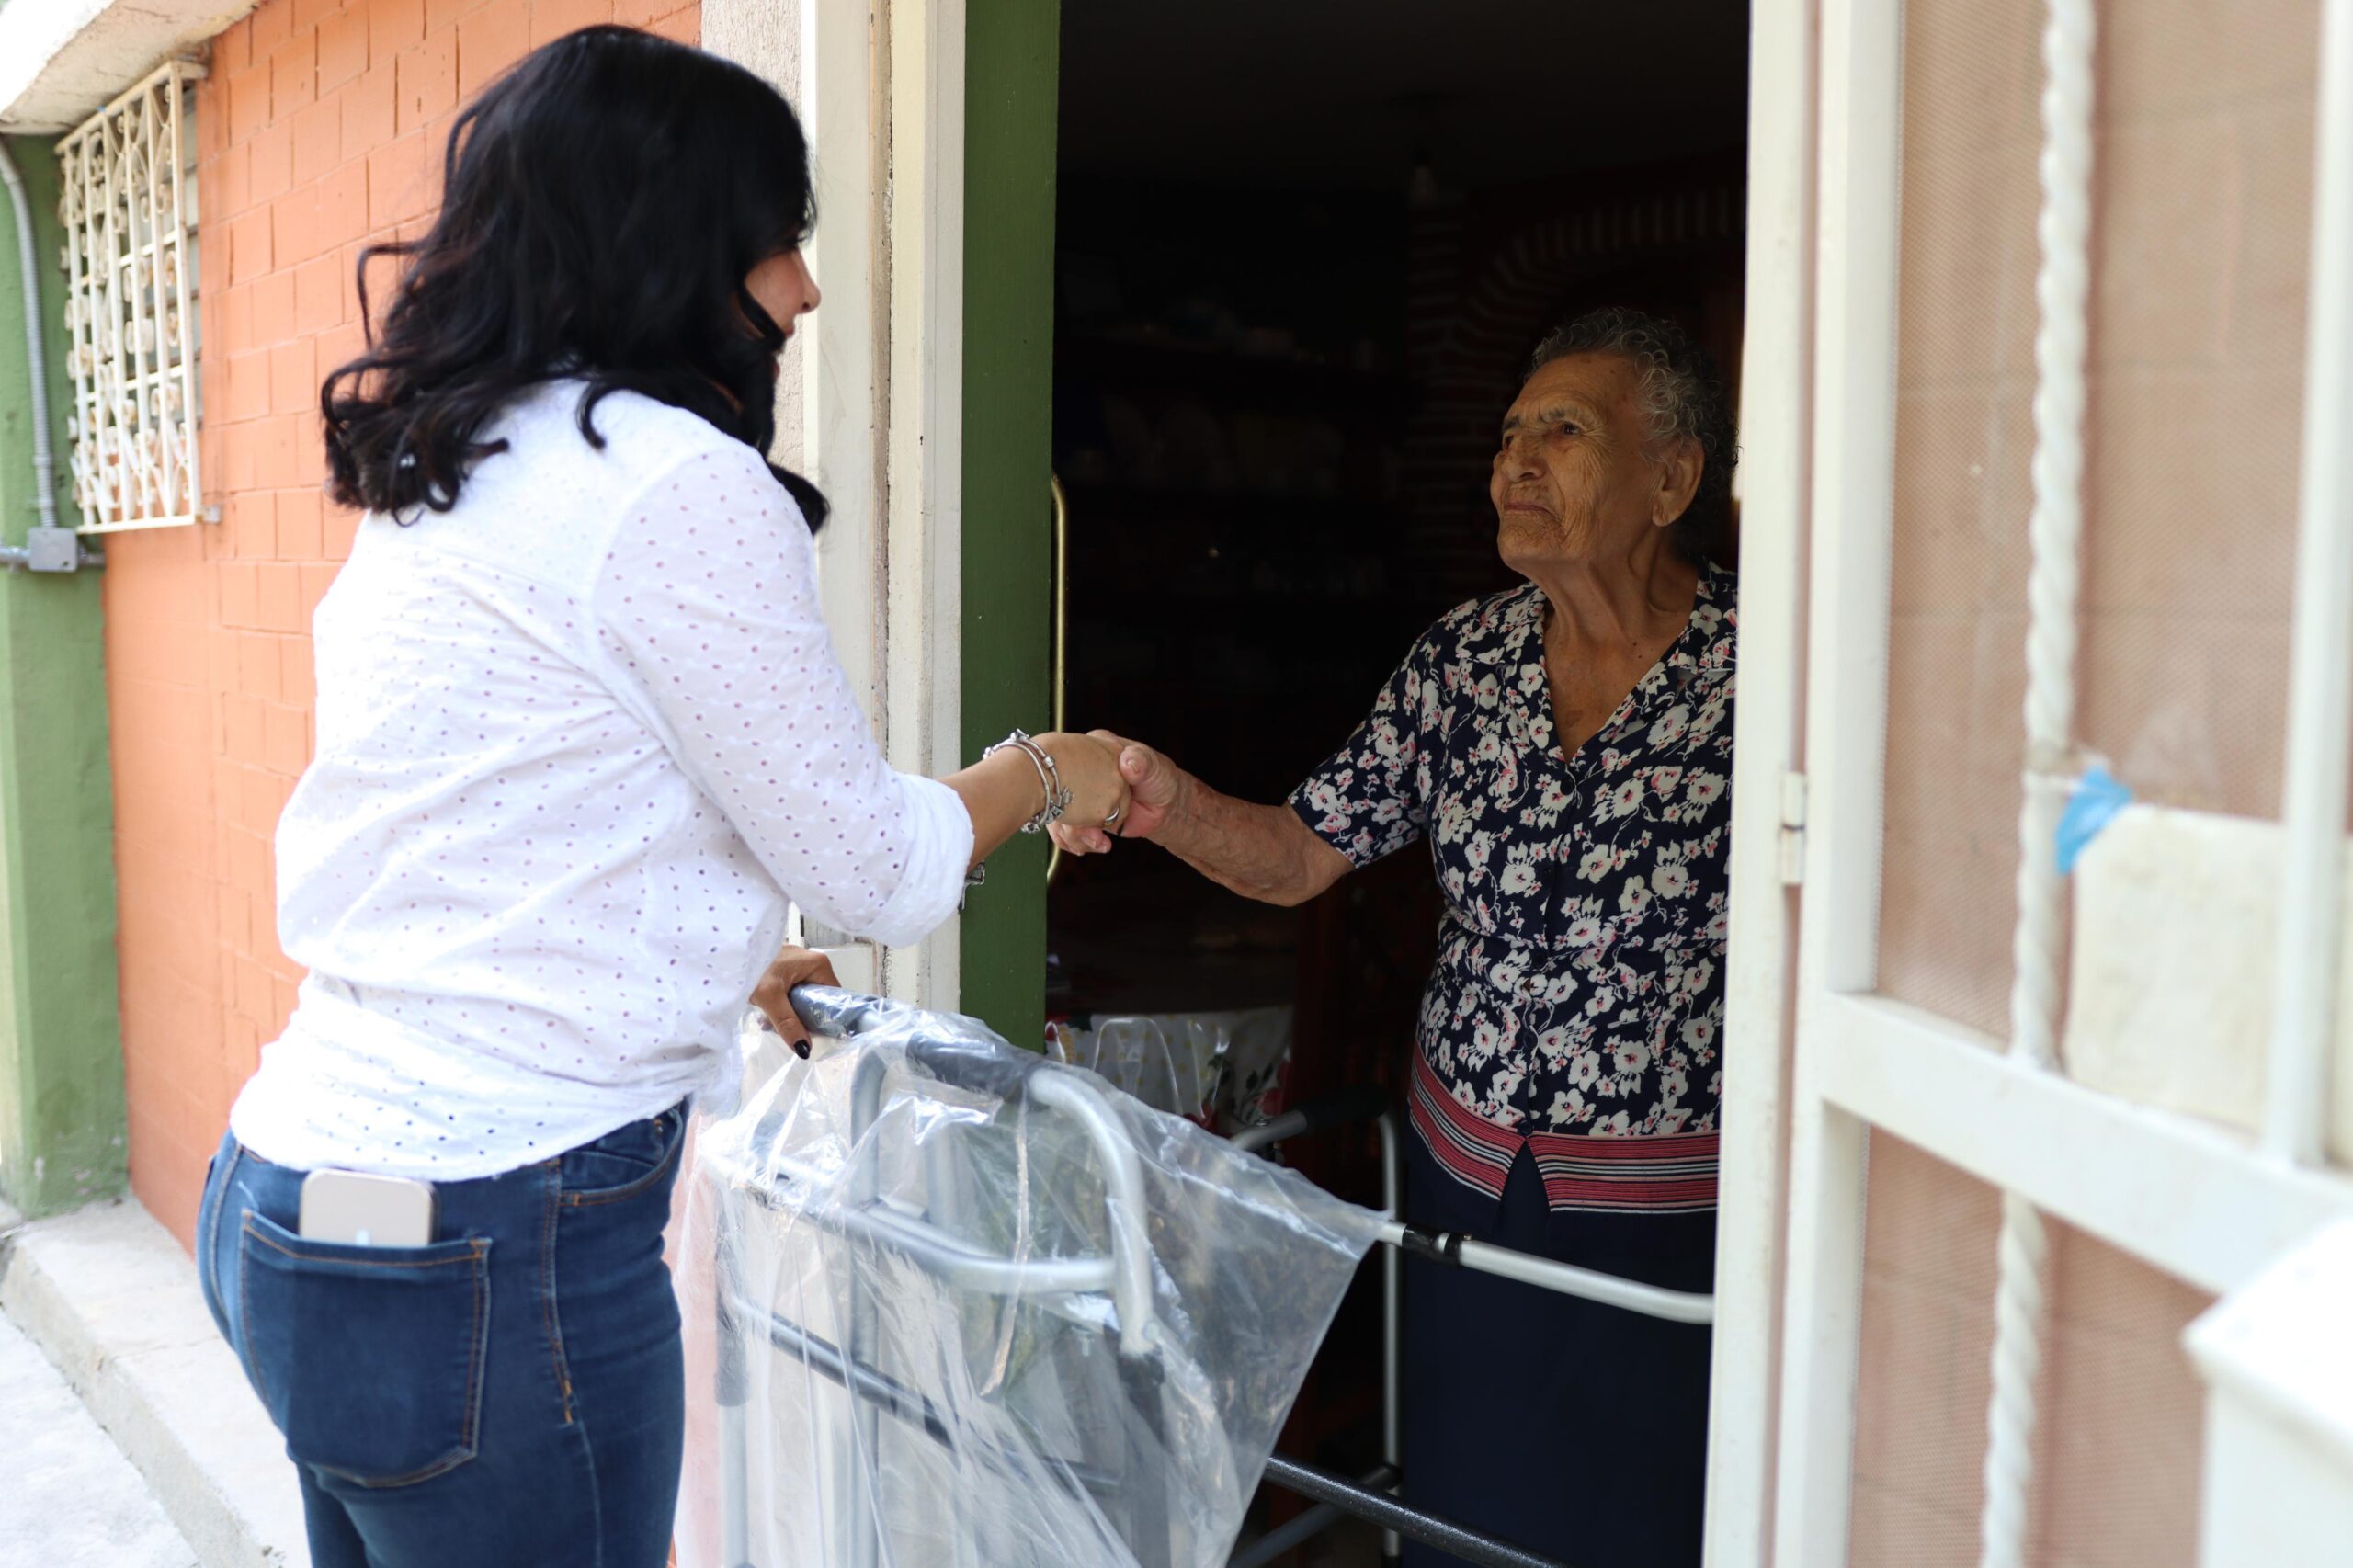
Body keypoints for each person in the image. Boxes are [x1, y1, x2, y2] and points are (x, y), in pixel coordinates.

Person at [190, 28, 1127, 1568]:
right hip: (486, 1247)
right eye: (779, 239)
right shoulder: (675, 480)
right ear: (673, 237)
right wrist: (1041, 771)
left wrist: (709, 958)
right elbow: (875, 866)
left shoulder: (459, 454)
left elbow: (507, 813)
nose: (804, 291)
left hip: (298, 1201)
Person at [1053, 306, 1736, 1568]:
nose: (1514, 462)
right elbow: (1302, 852)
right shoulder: (1462, 663)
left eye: (1563, 431)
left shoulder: (1760, 676)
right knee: (1467, 1504)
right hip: (1467, 1173)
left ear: (1671, 479)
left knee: (1645, 1512)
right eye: (1508, 433)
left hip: (1669, 1204)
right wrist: (1165, 801)